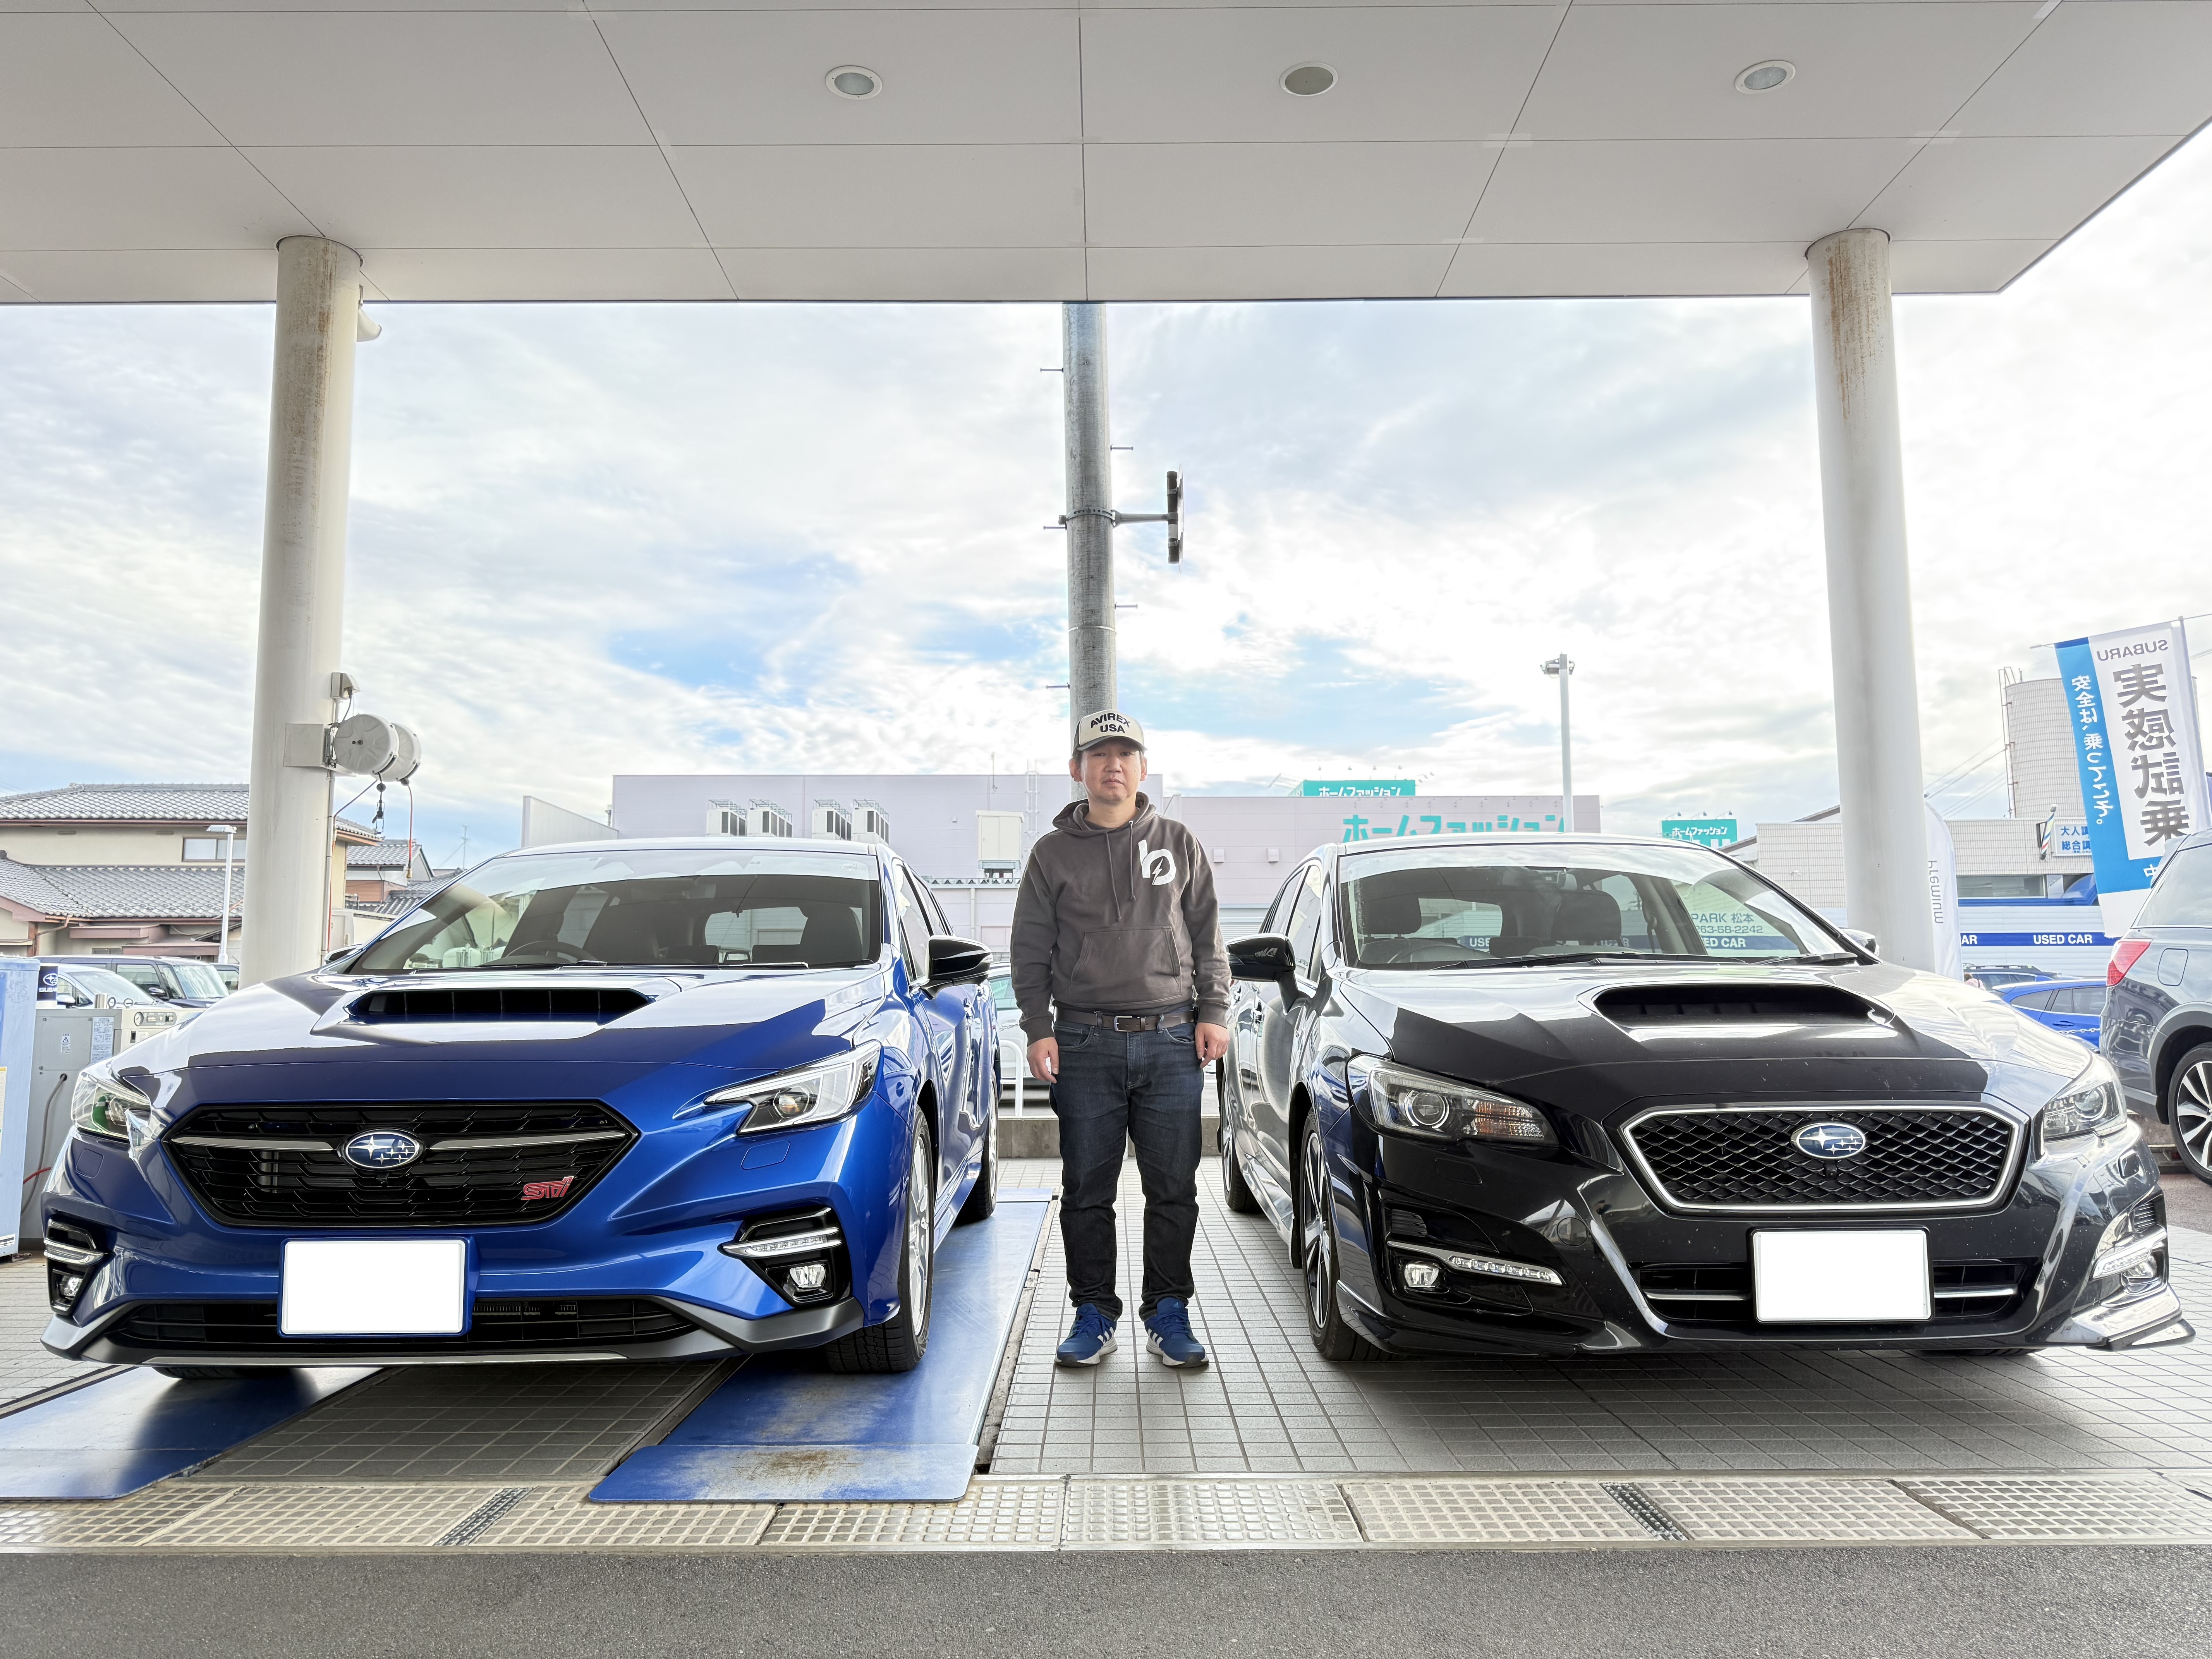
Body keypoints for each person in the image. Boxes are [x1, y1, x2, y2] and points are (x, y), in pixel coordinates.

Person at [1010, 711, 1231, 1369]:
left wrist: (1215, 1011)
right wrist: (1038, 1027)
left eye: (1126, 754)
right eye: (1099, 754)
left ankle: (1168, 1310)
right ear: (1077, 769)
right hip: (1084, 1041)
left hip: (1172, 1038)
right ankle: (1094, 1312)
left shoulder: (1178, 841)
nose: (1114, 765)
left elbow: (1207, 935)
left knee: (1174, 1187)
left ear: (1143, 767)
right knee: (1087, 1189)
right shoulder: (1051, 854)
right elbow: (1030, 949)